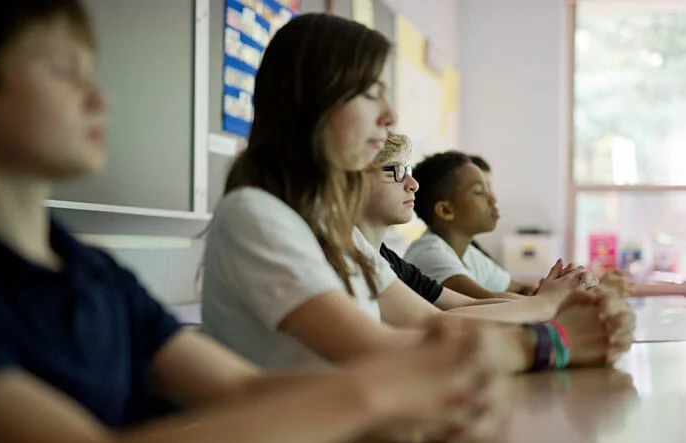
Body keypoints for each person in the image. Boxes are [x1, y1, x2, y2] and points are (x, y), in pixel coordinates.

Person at [0, 4, 507, 443]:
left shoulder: (94, 273)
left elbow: (244, 389)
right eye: (63, 71)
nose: (100, 96)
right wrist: (378, 397)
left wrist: (415, 404)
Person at [200, 12, 634, 386]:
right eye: (370, 95)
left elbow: (431, 323)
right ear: (314, 104)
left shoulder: (335, 230)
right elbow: (380, 351)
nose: (387, 117)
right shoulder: (256, 215)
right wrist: (553, 333)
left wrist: (551, 307)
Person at [358, 131, 588, 323]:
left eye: (408, 171)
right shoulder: (426, 253)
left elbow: (472, 304)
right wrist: (549, 302)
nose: (412, 184)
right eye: (396, 171)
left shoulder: (386, 257)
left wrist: (553, 297)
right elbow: (440, 319)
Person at [405, 151, 597, 300]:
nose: (493, 198)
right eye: (480, 191)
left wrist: (565, 284)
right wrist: (558, 295)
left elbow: (520, 289)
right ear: (446, 211)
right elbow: (486, 302)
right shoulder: (429, 253)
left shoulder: (469, 254)